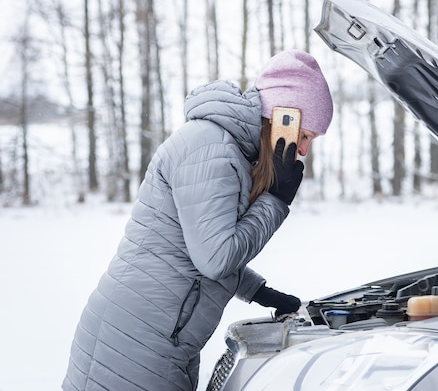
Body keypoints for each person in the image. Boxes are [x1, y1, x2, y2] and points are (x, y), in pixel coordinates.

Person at [62, 50, 334, 391]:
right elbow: (216, 258)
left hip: (157, 336)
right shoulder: (212, 148)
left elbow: (191, 247)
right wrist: (275, 201)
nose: (304, 151)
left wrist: (259, 291)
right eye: (306, 136)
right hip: (136, 341)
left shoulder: (226, 149)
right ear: (283, 118)